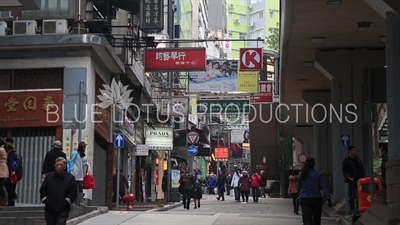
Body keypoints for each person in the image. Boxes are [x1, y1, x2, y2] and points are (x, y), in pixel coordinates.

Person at [40, 157, 77, 225]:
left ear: (65, 166)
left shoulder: (70, 178)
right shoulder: (49, 177)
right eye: (57, 165)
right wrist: (45, 199)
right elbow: (43, 189)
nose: (59, 167)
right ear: (55, 166)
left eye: (61, 165)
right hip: (50, 208)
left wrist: (68, 200)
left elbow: (74, 190)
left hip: (63, 208)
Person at [297, 157, 332, 225]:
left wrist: (300, 194)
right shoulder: (318, 174)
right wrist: (328, 197)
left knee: (307, 218)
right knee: (317, 218)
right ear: (314, 164)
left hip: (305, 198)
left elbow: (298, 186)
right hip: (316, 198)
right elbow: (323, 186)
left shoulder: (302, 174)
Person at [342, 145, 365, 215]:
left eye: (355, 150)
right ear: (349, 151)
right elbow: (344, 171)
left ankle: (359, 208)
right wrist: (348, 177)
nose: (354, 152)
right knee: (351, 195)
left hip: (359, 180)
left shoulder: (358, 159)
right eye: (353, 150)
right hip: (352, 180)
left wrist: (363, 177)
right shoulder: (346, 161)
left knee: (359, 194)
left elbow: (361, 168)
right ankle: (352, 209)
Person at [68, 141, 88, 206]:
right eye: (84, 146)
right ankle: (73, 201)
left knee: (80, 187)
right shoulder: (75, 153)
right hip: (74, 173)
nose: (85, 148)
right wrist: (71, 170)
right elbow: (71, 161)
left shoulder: (81, 154)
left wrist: (86, 164)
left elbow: (81, 164)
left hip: (79, 174)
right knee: (74, 187)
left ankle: (80, 202)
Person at [0, 138, 9, 205]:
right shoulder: (3, 149)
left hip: (1, 169)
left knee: (0, 185)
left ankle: (4, 198)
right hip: (3, 168)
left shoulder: (1, 149)